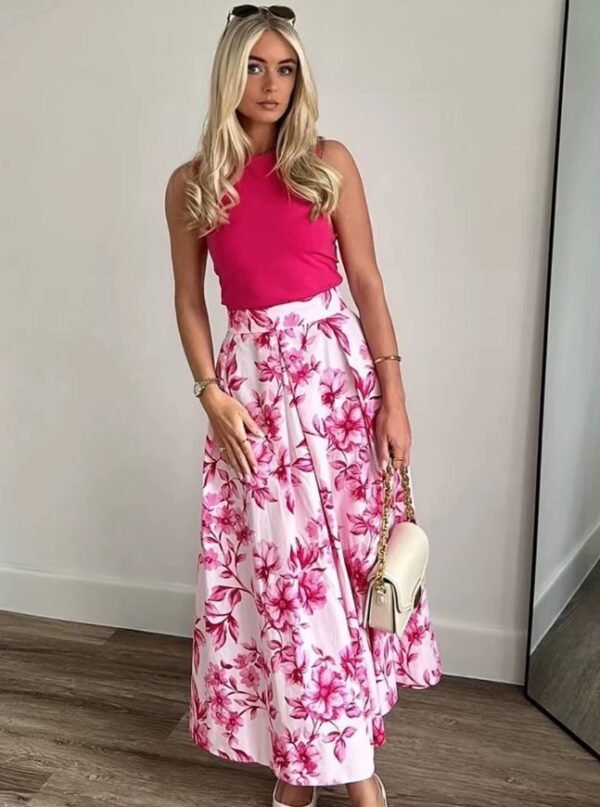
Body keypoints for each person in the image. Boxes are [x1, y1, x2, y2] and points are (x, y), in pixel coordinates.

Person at [164, 6, 442, 807]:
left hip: (335, 386)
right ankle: (306, 764)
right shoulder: (191, 184)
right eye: (256, 67)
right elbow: (189, 302)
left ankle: (347, 774)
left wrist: (395, 397)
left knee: (347, 577)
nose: (272, 84)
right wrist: (209, 392)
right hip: (249, 395)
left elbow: (368, 282)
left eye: (286, 68)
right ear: (229, 75)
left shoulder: (328, 163)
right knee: (283, 583)